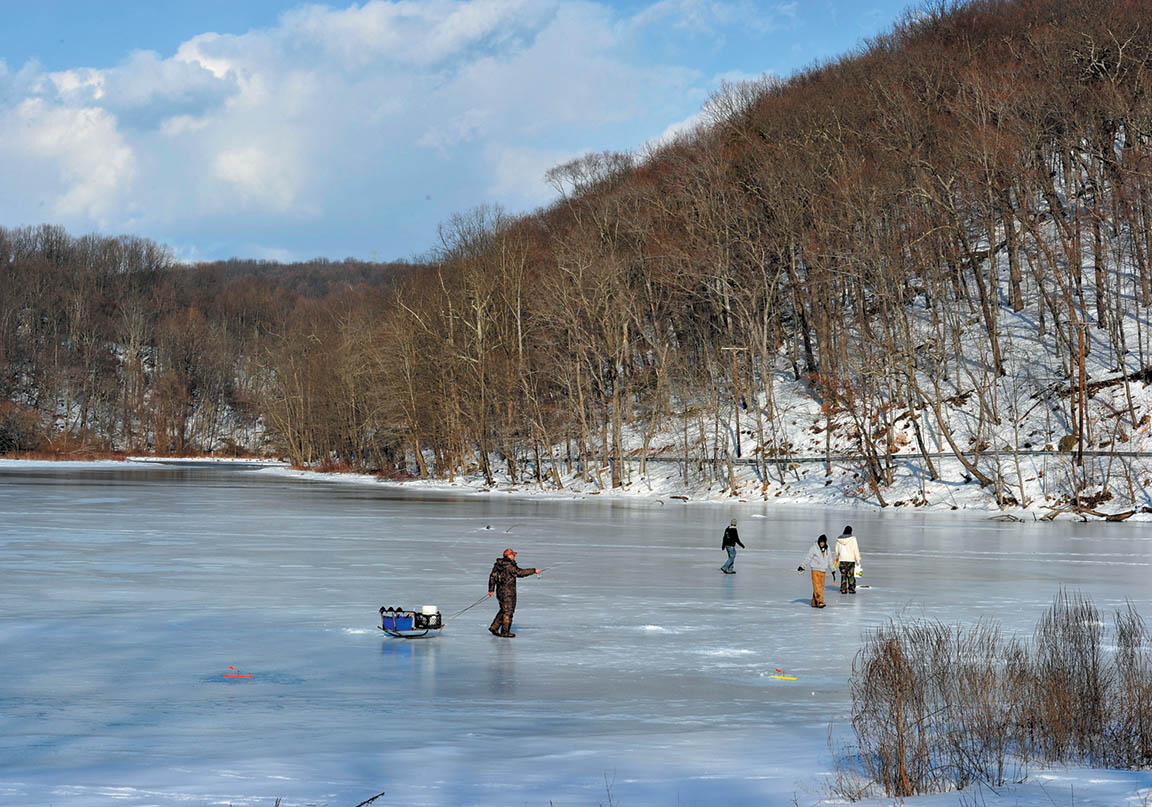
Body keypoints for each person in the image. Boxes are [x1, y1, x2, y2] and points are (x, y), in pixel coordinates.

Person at [487, 548, 541, 638]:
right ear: (508, 556)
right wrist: (534, 570)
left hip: (500, 592)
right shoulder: (509, 565)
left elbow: (492, 577)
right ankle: (505, 632)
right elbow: (519, 572)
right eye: (512, 555)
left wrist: (491, 590)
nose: (514, 557)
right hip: (508, 592)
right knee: (508, 611)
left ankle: (494, 627)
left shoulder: (498, 565)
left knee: (504, 610)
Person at [797, 534, 836, 608]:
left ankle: (814, 602)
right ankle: (820, 601)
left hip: (823, 570)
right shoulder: (814, 548)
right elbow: (808, 558)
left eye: (823, 542)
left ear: (825, 542)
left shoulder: (828, 549)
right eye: (820, 542)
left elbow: (830, 559)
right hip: (815, 569)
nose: (821, 543)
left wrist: (832, 569)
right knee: (816, 586)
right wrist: (802, 566)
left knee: (820, 587)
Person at [832, 525, 862, 594]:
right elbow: (856, 549)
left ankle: (843, 589)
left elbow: (837, 551)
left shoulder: (839, 539)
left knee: (843, 575)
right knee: (850, 575)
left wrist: (836, 558)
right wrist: (858, 560)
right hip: (851, 559)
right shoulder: (853, 539)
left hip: (842, 559)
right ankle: (851, 588)